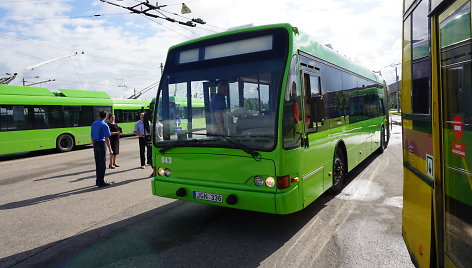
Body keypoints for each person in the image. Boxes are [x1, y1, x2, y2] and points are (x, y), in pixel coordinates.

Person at [91, 110, 112, 187]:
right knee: (102, 164)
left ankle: (98, 180)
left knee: (97, 163)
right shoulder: (105, 125)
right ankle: (101, 181)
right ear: (105, 116)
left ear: (99, 115)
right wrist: (110, 149)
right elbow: (107, 138)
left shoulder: (94, 123)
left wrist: (94, 145)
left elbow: (92, 136)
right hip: (101, 144)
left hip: (96, 143)